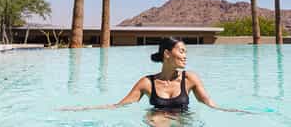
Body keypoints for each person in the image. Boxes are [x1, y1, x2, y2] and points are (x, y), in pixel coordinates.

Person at [59, 37, 254, 115]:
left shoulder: (190, 79)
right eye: (182, 51)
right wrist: (82, 109)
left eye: (186, 52)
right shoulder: (147, 83)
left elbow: (211, 104)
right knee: (158, 120)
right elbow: (120, 105)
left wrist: (237, 112)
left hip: (184, 121)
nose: (186, 56)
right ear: (167, 54)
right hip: (156, 121)